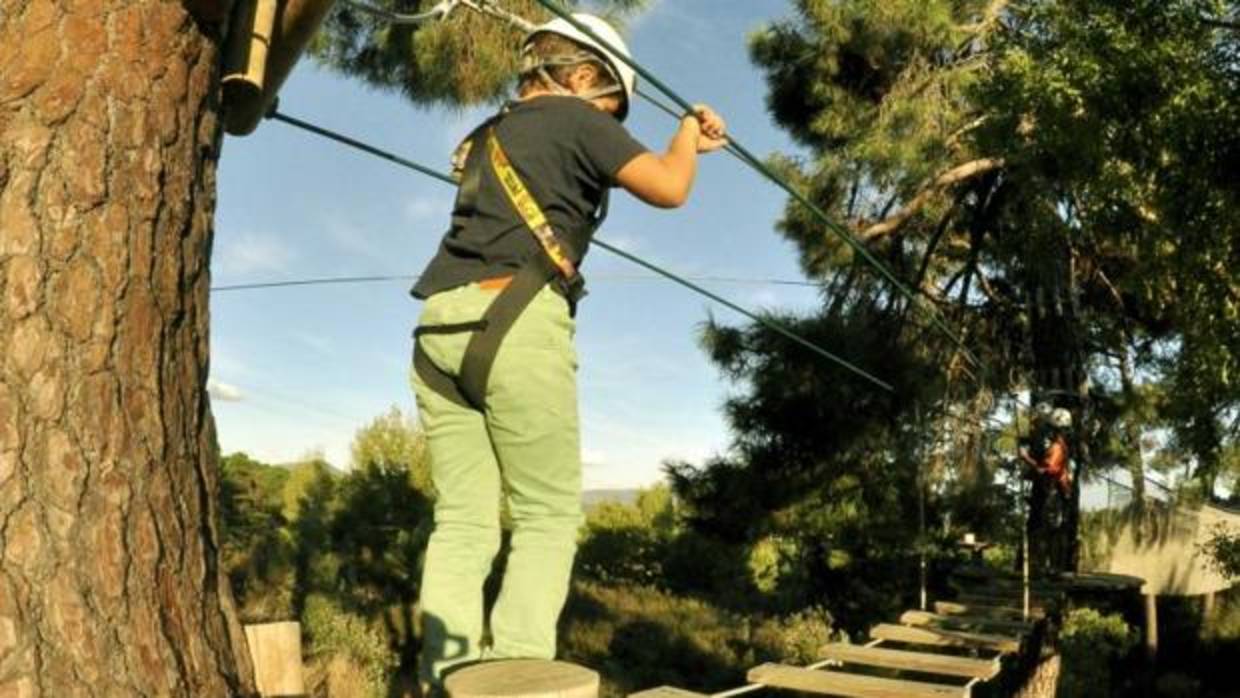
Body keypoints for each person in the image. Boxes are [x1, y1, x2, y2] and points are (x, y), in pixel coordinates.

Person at [407, 13, 728, 691]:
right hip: (519, 320)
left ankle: (445, 678)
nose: (614, 120)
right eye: (615, 105)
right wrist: (685, 137)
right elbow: (669, 188)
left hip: (437, 330)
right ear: (583, 77)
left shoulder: (486, 134)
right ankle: (517, 681)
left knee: (463, 519)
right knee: (547, 514)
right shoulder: (579, 119)